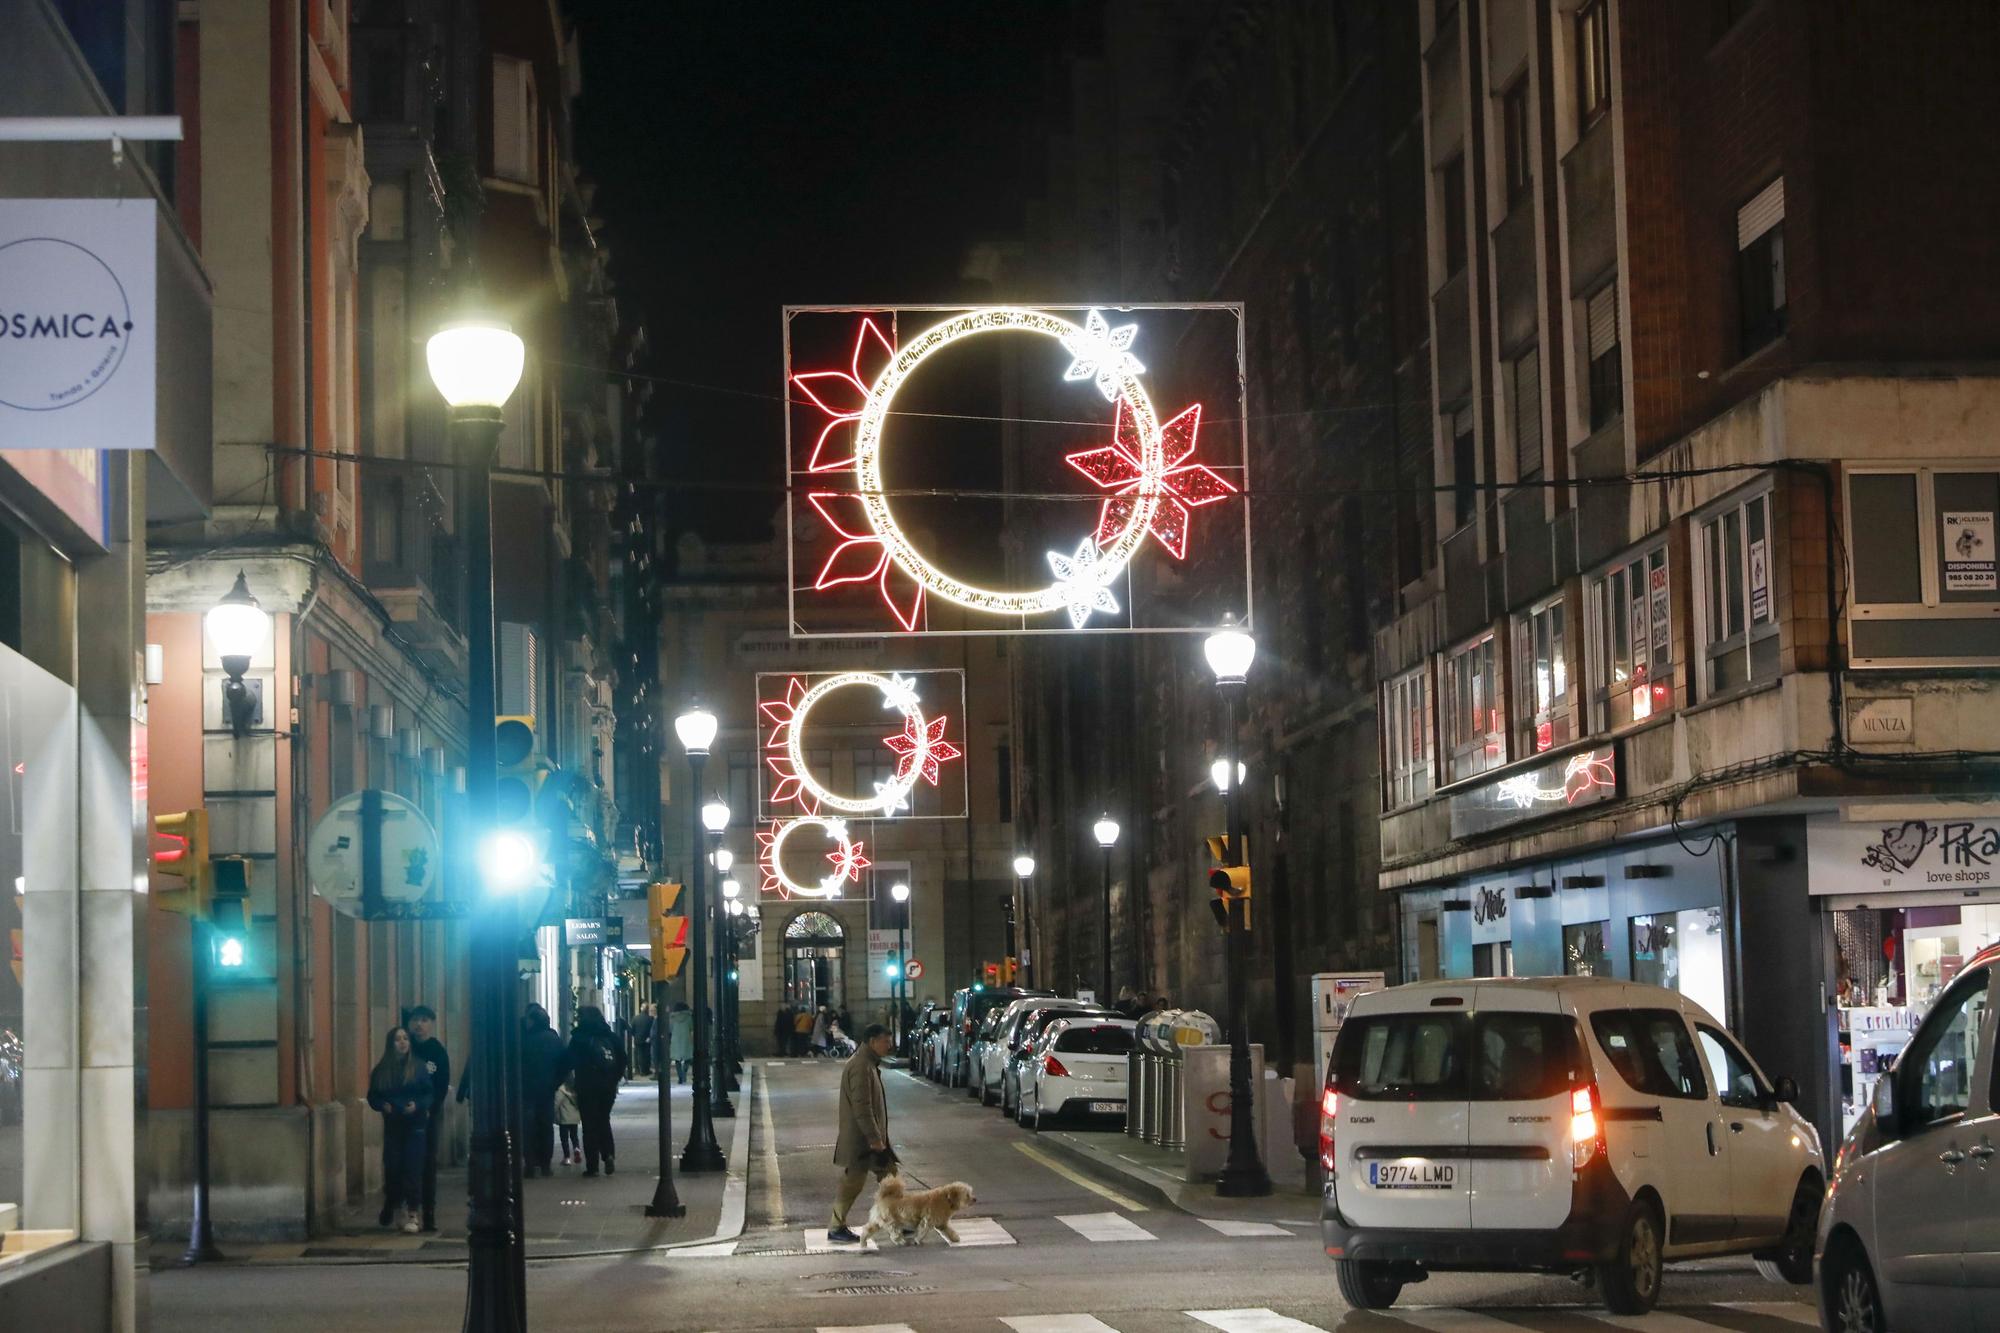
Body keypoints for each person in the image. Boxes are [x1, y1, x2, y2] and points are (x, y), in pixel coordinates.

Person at [826, 1023, 897, 1245]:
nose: (889, 1046)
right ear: (872, 1041)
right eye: (885, 1041)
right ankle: (836, 1226)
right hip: (862, 1141)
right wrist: (875, 1138)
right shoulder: (860, 1066)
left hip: (868, 1140)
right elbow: (862, 1107)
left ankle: (899, 1220)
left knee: (890, 1178)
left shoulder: (867, 1064)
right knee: (854, 1183)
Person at [366, 1026, 432, 1233]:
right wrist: (382, 1105)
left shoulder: (419, 1067)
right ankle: (395, 1205)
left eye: (405, 1039)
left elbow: (428, 1093)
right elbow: (373, 1096)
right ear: (390, 1044)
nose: (402, 1042)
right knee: (393, 1168)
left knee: (412, 1169)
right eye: (397, 1039)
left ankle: (413, 1213)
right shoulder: (381, 1070)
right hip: (394, 1125)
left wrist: (419, 1106)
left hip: (415, 1125)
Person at [404, 1005, 451, 1231]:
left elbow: (442, 1084)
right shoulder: (405, 1048)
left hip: (429, 1115)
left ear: (431, 1023)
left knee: (428, 1163)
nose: (419, 1025)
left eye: (424, 1020)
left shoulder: (437, 1051)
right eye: (415, 1020)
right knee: (405, 1163)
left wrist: (432, 1106)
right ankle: (408, 1208)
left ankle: (429, 1212)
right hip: (405, 1115)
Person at [567, 1004, 626, 1175]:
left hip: (587, 1086)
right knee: (603, 1120)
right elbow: (622, 1059)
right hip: (607, 1087)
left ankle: (592, 1166)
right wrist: (614, 1079)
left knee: (589, 1125)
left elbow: (569, 1061)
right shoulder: (611, 1036)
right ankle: (608, 1155)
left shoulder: (578, 1038)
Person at [518, 1003, 569, 1177]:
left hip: (527, 1090)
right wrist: (555, 1083)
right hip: (547, 1090)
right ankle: (546, 1164)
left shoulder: (524, 1040)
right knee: (546, 1127)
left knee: (528, 1127)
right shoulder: (553, 1039)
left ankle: (530, 1164)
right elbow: (564, 1064)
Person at [554, 1074, 582, 1166]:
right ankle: (576, 1148)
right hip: (574, 1118)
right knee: (574, 1136)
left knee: (564, 1139)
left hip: (564, 1119)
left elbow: (557, 1103)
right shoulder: (576, 1089)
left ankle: (567, 1158)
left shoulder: (561, 1090)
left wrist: (553, 1113)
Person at [667, 1001, 694, 1085]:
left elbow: (670, 1029)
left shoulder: (672, 1018)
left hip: (675, 1040)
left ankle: (680, 1077)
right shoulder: (689, 1017)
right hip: (686, 1039)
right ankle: (684, 1074)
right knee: (687, 1058)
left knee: (677, 1060)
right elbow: (691, 1028)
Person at [631, 1005, 655, 1079]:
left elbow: (632, 1030)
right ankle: (646, 1070)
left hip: (638, 1039)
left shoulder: (635, 1018)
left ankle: (639, 1070)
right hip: (647, 1039)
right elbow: (652, 1029)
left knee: (639, 1054)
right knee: (646, 1055)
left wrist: (635, 1036)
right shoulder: (650, 1019)